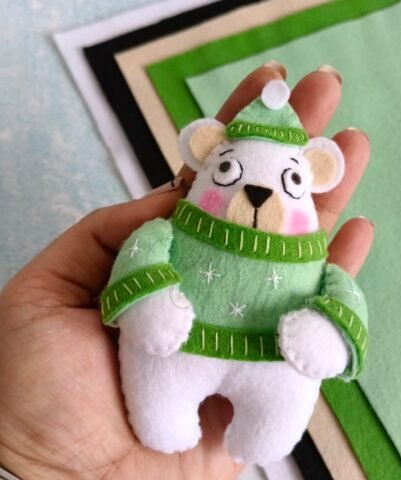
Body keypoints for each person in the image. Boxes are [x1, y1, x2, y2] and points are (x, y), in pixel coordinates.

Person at [0, 63, 373, 480]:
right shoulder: (169, 230)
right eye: (228, 170)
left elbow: (344, 295)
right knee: (161, 417)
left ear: (317, 172)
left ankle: (259, 434)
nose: (258, 193)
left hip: (274, 361)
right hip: (176, 349)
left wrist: (327, 334)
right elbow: (140, 255)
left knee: (270, 430)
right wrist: (149, 302)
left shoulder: (313, 262)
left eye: (290, 180)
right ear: (205, 150)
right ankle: (170, 423)